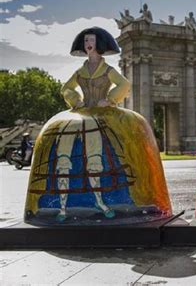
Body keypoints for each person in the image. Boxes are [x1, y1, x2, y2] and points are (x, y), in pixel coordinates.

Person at [24, 27, 172, 225]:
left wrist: (110, 100)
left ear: (99, 44)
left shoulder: (108, 70)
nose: (88, 44)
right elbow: (66, 88)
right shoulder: (80, 71)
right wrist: (75, 100)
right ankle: (62, 206)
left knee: (96, 159)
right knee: (63, 157)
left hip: (103, 114)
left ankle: (101, 203)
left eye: (91, 40)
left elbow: (124, 85)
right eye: (85, 41)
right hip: (80, 112)